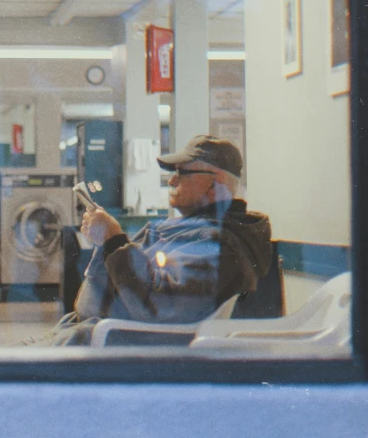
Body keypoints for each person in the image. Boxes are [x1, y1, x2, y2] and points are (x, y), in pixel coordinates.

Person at [21, 135, 272, 346]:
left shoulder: (220, 247)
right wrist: (108, 243)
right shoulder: (196, 232)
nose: (172, 180)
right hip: (90, 332)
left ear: (214, 183)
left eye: (183, 172)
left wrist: (114, 241)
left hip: (114, 344)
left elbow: (159, 306)